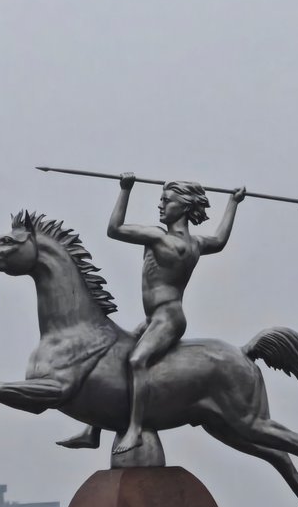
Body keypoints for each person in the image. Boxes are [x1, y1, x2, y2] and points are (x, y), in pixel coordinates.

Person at [105, 172, 246, 453]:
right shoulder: (196, 244)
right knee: (114, 355)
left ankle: (134, 429)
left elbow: (114, 228)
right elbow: (219, 239)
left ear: (182, 206)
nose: (160, 206)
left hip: (167, 319)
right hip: (155, 318)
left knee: (135, 361)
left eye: (166, 200)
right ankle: (92, 429)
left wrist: (125, 189)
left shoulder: (158, 238)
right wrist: (233, 202)